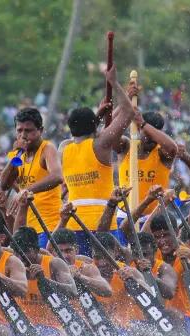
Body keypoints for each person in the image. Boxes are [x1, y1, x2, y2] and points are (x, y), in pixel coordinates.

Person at [60, 65, 133, 256]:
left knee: (82, 274)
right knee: (110, 274)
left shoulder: (63, 148)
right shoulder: (100, 145)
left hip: (73, 225)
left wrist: (97, 117)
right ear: (94, 126)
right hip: (104, 224)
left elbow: (84, 133)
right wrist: (114, 83)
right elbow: (128, 112)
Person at [1, 108, 63, 247]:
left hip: (48, 227)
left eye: (28, 131)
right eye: (19, 130)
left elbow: (57, 176)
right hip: (26, 229)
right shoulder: (19, 155)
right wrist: (17, 154)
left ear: (40, 130)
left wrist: (26, 191)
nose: (23, 135)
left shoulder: (47, 149)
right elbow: (4, 184)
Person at [11, 226, 77, 336]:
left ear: (36, 250)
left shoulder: (54, 264)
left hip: (53, 328)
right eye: (17, 253)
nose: (20, 258)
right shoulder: (12, 263)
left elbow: (73, 291)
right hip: (22, 326)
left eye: (25, 253)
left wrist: (44, 280)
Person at [114, 108, 177, 221]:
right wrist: (124, 109)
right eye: (147, 133)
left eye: (154, 133)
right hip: (124, 215)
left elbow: (173, 148)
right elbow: (110, 134)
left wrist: (143, 124)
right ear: (138, 129)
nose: (151, 138)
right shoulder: (126, 146)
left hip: (153, 219)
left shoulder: (162, 153)